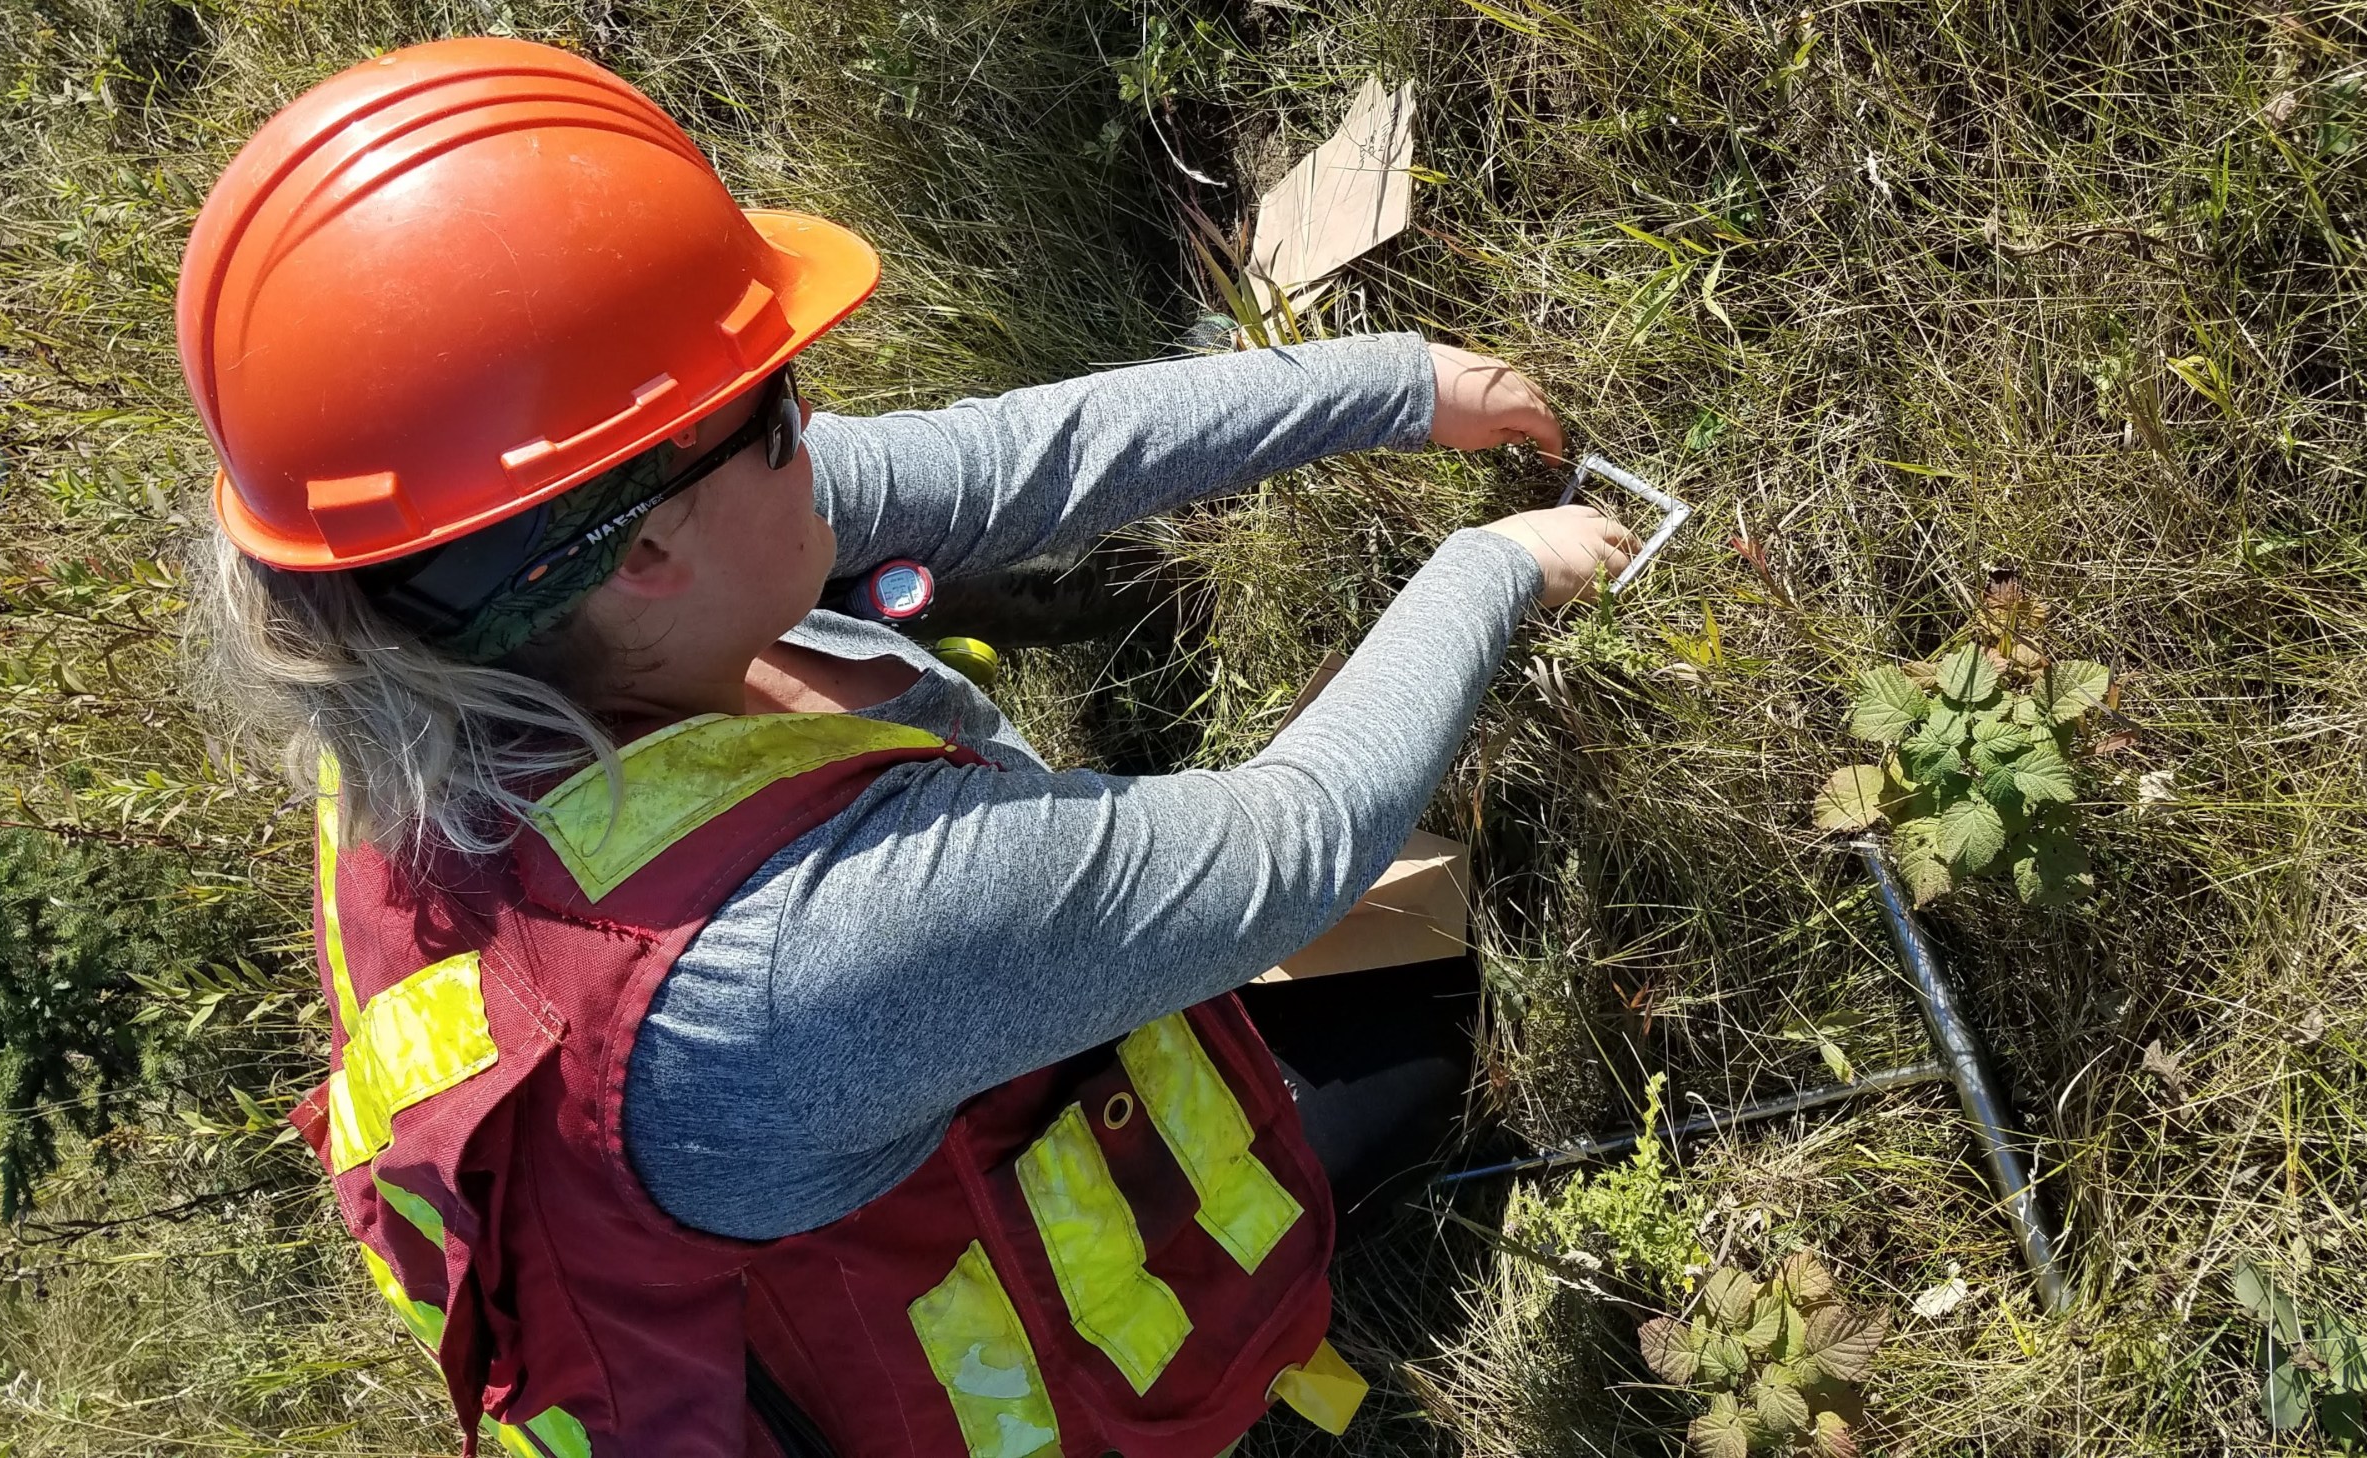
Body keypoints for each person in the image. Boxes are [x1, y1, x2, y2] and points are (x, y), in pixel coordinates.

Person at [181, 36, 1637, 1458]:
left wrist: (1394, 385)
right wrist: (1497, 565)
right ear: (640, 555)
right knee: (1420, 1015)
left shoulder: (434, 638)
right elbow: (1292, 844)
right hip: (964, 1360)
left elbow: (999, 466)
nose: (821, 427)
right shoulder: (784, 967)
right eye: (780, 409)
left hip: (810, 1124)